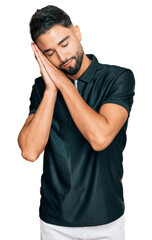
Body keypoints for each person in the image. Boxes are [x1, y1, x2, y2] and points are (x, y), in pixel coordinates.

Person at [18, 5, 135, 240]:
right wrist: (51, 90)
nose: (62, 57)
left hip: (107, 219)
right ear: (39, 54)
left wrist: (62, 83)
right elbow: (30, 151)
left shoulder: (118, 77)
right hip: (55, 221)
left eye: (64, 43)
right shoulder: (42, 88)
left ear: (77, 32)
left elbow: (100, 138)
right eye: (49, 52)